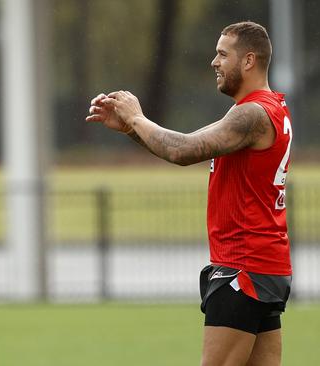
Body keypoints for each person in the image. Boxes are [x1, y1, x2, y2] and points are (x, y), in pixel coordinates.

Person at [86, 21, 292, 366]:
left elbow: (183, 150)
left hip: (242, 269)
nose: (214, 62)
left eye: (223, 54)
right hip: (265, 267)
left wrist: (137, 118)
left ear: (249, 61)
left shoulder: (252, 115)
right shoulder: (264, 109)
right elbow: (185, 145)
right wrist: (132, 129)